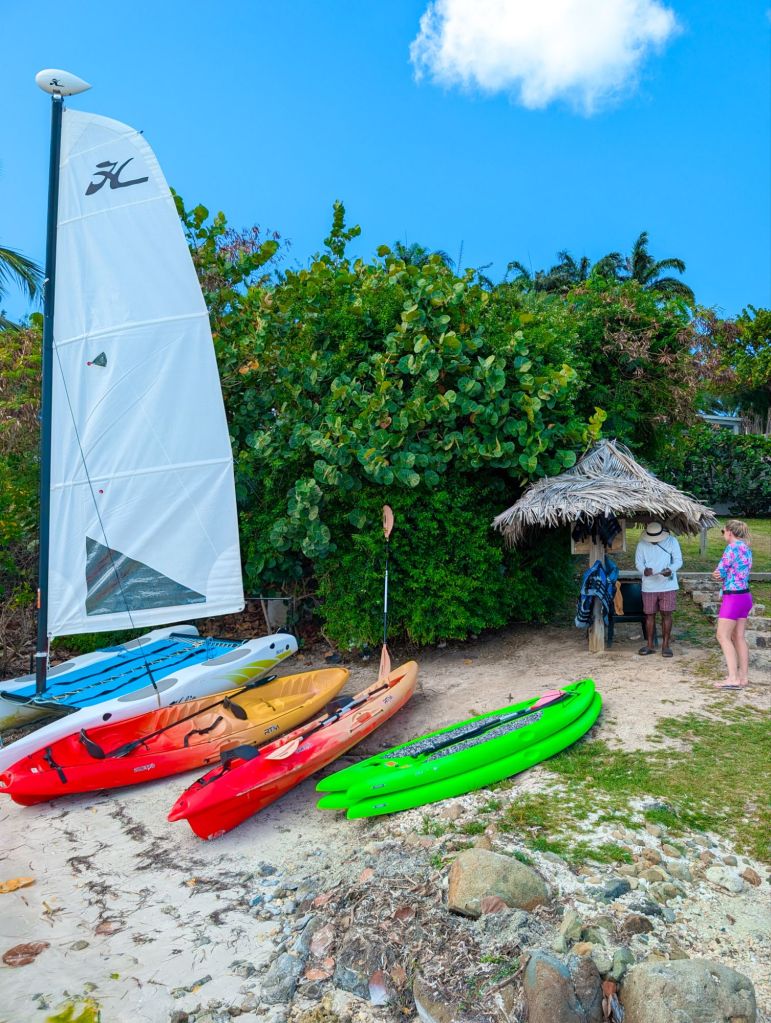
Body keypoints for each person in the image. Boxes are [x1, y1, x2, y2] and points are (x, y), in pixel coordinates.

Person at [712, 520, 753, 689]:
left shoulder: (732, 548)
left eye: (723, 531)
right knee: (739, 637)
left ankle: (733, 678)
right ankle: (743, 677)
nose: (723, 535)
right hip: (745, 595)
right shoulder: (746, 548)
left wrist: (716, 574)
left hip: (733, 597)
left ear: (729, 532)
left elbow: (720, 571)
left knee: (722, 636)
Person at [635, 522, 683, 657]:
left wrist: (670, 570)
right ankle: (650, 645)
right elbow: (638, 562)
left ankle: (665, 645)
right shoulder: (642, 544)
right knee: (649, 615)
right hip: (649, 585)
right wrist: (644, 570)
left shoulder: (672, 541)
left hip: (668, 584)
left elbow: (678, 561)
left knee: (666, 614)